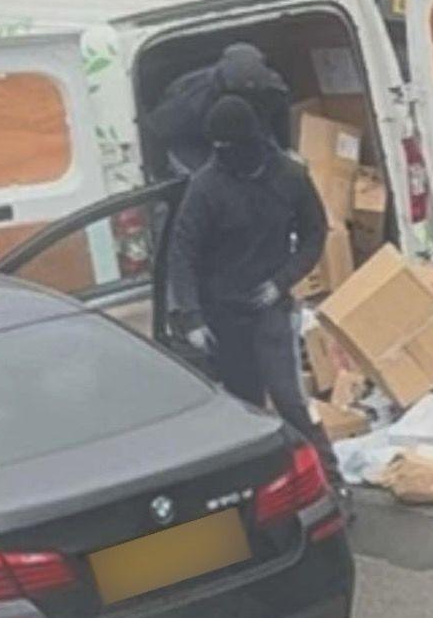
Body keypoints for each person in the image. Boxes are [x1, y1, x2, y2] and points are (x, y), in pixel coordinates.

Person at [167, 94, 341, 482]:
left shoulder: (290, 176)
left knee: (290, 399)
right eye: (217, 150)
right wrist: (193, 318)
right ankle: (268, 486)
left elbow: (315, 233)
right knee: (245, 408)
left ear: (252, 140)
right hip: (223, 316)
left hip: (270, 308)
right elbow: (183, 255)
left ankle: (332, 479)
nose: (224, 157)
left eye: (230, 148)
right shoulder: (206, 188)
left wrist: (282, 282)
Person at [141, 43, 293, 179]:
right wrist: (159, 173)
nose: (243, 101)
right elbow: (153, 130)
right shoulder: (191, 102)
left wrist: (286, 148)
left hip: (249, 133)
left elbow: (280, 116)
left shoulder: (272, 88)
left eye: (251, 95)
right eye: (239, 95)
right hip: (194, 143)